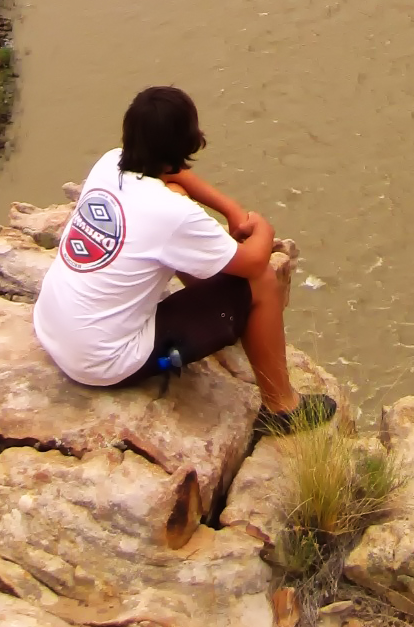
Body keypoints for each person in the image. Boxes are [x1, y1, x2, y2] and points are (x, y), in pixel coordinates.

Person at [33, 84, 334, 435]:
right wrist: (260, 226)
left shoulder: (109, 163)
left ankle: (223, 306)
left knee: (178, 208)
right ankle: (283, 408)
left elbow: (173, 175)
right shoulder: (171, 214)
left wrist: (230, 211)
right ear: (186, 144)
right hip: (101, 361)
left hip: (54, 329)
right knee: (262, 281)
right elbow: (253, 263)